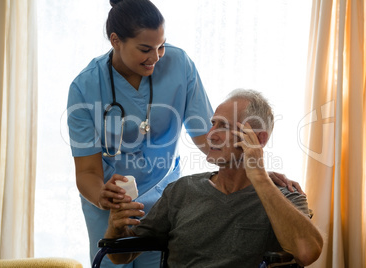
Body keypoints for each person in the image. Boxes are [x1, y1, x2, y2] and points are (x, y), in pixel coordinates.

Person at [67, 0, 303, 267]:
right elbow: (87, 172)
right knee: (113, 257)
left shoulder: (179, 65)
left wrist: (252, 172)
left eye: (161, 46)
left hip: (162, 196)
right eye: (145, 49)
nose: (155, 57)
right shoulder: (84, 88)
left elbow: (209, 136)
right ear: (115, 41)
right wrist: (102, 196)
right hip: (110, 199)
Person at [105, 89, 323, 267]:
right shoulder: (181, 190)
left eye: (225, 126)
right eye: (213, 124)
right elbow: (120, 255)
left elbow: (307, 252)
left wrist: (259, 175)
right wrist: (116, 226)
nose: (210, 135)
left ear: (258, 139)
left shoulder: (287, 197)